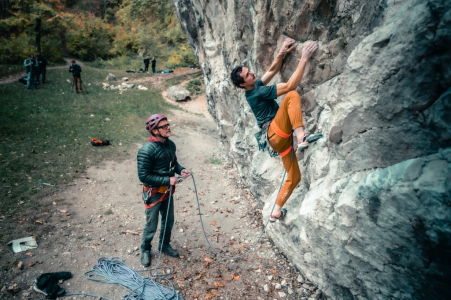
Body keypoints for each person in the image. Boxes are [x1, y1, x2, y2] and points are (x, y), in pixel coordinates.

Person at [230, 39, 322, 222]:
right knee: (292, 95)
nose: (252, 73)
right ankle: (301, 135)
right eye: (248, 75)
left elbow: (272, 70)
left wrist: (281, 52)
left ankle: (276, 211)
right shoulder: (257, 93)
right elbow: (289, 86)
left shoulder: (253, 87)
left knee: (294, 176)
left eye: (249, 71)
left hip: (278, 139)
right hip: (276, 132)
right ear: (243, 84)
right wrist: (304, 58)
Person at [137, 114, 190, 267]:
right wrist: (168, 180)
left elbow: (173, 163)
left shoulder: (170, 145)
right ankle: (145, 249)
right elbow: (144, 176)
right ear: (154, 131)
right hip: (154, 194)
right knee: (151, 225)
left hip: (167, 192)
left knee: (168, 220)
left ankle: (164, 245)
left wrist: (181, 170)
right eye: (164, 126)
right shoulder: (146, 151)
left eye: (168, 124)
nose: (168, 127)